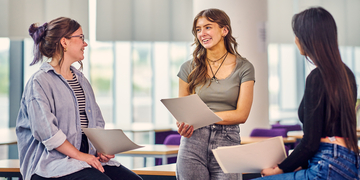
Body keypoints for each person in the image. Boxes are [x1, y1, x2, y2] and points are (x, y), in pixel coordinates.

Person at [16, 17, 142, 180]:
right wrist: (81, 156)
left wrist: (98, 150)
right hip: (51, 164)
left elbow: (96, 122)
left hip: (85, 159)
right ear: (64, 42)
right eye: (81, 38)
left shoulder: (81, 80)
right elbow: (47, 133)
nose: (85, 44)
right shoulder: (39, 82)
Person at [255, 7, 359, 180]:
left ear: (307, 38)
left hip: (327, 162)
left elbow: (311, 142)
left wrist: (280, 169)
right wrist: (296, 165)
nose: (295, 40)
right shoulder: (347, 75)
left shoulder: (317, 77)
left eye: (297, 34)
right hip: (349, 162)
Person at [176, 8, 255, 180]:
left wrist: (202, 116)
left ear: (224, 30)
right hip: (193, 140)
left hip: (227, 140)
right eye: (198, 29)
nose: (202, 33)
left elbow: (241, 114)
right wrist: (182, 122)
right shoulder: (188, 68)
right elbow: (183, 111)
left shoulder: (244, 68)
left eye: (208, 27)